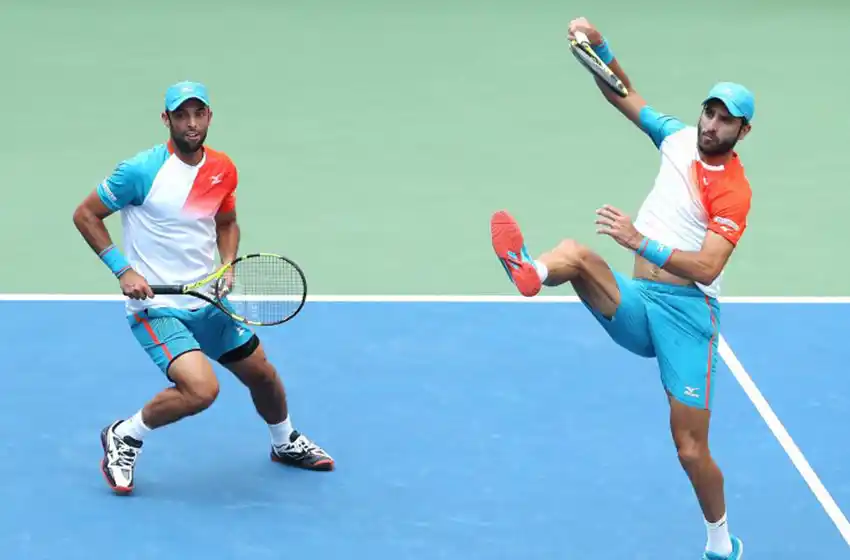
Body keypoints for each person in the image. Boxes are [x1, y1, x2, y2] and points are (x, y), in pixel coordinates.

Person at [489, 17, 752, 560]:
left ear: (742, 133)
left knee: (690, 449)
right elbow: (623, 94)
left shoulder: (735, 193)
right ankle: (532, 272)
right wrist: (599, 47)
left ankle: (721, 545)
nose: (713, 125)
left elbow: (705, 268)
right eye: (710, 112)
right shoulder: (677, 137)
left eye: (727, 121)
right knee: (578, 254)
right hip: (637, 303)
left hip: (688, 316)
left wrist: (639, 240)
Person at [72, 80, 334, 495]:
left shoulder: (223, 169)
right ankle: (125, 434)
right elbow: (85, 214)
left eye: (199, 113)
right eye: (181, 114)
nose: (191, 123)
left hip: (207, 301)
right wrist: (123, 271)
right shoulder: (140, 171)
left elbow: (226, 224)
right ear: (167, 119)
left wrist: (227, 266)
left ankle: (284, 442)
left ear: (210, 116)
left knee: (263, 375)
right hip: (156, 308)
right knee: (201, 389)